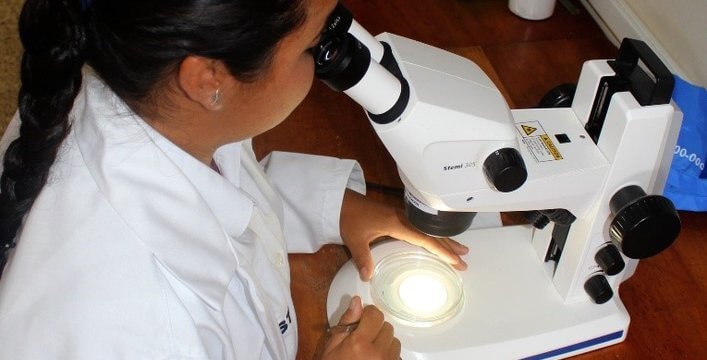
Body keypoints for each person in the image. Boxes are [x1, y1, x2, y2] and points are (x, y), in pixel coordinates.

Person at [0, 0, 469, 358]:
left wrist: (338, 207)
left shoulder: (149, 93)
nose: (329, 54)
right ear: (208, 80)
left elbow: (224, 187)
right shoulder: (135, 332)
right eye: (314, 46)